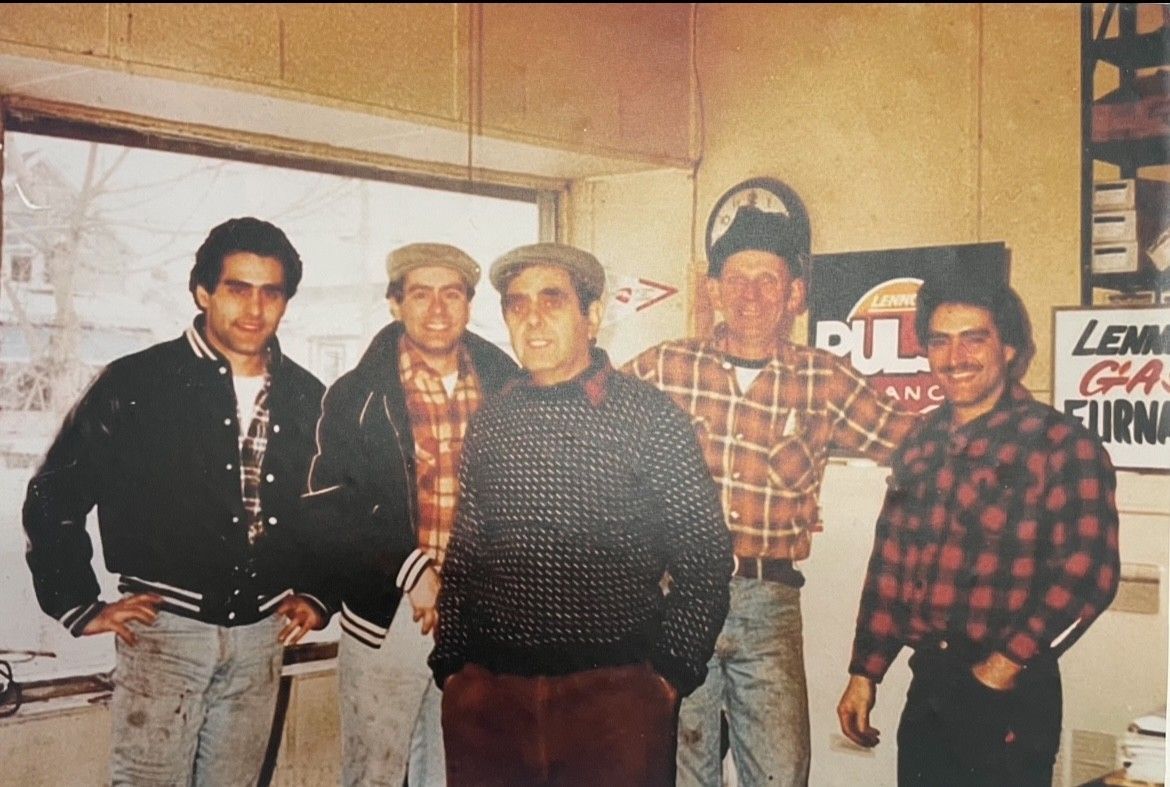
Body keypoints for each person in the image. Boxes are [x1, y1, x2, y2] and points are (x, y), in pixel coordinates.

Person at [23, 217, 330, 786]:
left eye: (271, 292)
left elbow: (333, 508)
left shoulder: (308, 395)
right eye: (237, 288)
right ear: (203, 292)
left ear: (286, 301)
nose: (254, 308)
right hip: (165, 632)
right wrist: (78, 603)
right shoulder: (137, 382)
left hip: (261, 634)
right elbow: (54, 495)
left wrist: (318, 592)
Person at [624, 205, 917, 786]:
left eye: (768, 279)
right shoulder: (663, 367)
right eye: (736, 278)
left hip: (770, 603)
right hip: (673, 597)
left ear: (795, 293)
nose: (750, 294)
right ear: (713, 290)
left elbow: (916, 446)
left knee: (783, 774)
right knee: (679, 772)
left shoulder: (825, 378)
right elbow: (589, 429)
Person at [429, 242, 733, 787]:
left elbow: (705, 554)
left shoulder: (649, 418)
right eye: (517, 305)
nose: (533, 318)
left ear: (591, 316)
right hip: (493, 701)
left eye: (552, 300)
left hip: (613, 703)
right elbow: (467, 553)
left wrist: (664, 681)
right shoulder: (493, 420)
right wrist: (454, 669)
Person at [836, 275, 1120, 786]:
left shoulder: (1059, 443)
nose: (955, 355)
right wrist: (865, 671)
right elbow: (890, 565)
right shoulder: (921, 441)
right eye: (940, 341)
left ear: (1009, 347)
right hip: (929, 686)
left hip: (1010, 691)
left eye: (974, 337)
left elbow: (1089, 574)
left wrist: (1005, 665)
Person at [301, 243, 519, 786]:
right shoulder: (357, 393)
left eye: (452, 294)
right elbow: (330, 504)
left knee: (458, 770)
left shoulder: (508, 386)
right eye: (421, 294)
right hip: (388, 611)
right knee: (375, 772)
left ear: (469, 305)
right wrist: (413, 571)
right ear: (396, 304)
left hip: (479, 613)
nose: (438, 308)